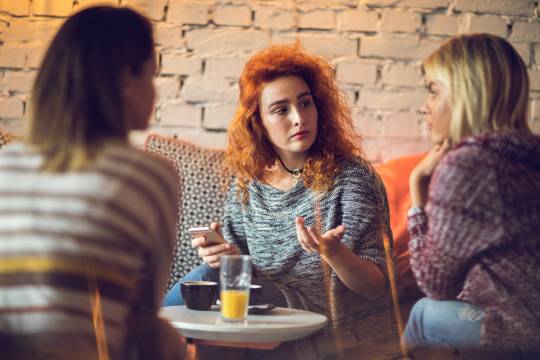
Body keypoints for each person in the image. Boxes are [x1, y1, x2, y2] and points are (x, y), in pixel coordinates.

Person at [164, 44, 396, 359]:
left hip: (330, 323)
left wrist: (334, 253)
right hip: (265, 308)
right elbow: (238, 273)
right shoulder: (248, 183)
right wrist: (223, 256)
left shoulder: (352, 178)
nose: (299, 118)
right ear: (257, 121)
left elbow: (375, 287)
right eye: (281, 109)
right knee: (206, 279)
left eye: (305, 103)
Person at [0, 6, 186, 360]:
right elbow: (142, 315)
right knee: (165, 339)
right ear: (126, 81)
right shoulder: (148, 174)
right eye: (152, 75)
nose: (156, 92)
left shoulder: (4, 164)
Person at [403, 33, 540, 357]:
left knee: (424, 312)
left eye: (434, 91)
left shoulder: (469, 167)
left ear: (466, 93)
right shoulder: (527, 154)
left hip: (526, 336)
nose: (425, 106)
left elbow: (436, 284)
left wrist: (417, 187)